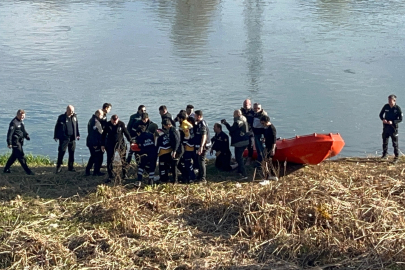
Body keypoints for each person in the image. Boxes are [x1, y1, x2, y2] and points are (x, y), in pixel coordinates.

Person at [101, 115, 132, 181]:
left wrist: (131, 141)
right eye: (113, 121)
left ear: (118, 119)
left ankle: (124, 173)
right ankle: (110, 174)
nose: (114, 122)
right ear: (111, 119)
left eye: (116, 121)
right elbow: (103, 135)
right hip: (110, 144)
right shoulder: (107, 124)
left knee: (123, 159)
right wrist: (102, 145)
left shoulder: (121, 124)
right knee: (110, 159)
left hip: (120, 143)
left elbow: (126, 133)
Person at [3, 109, 34, 175]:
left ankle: (6, 169)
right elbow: (10, 134)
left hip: (20, 141)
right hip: (15, 142)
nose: (22, 117)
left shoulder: (21, 122)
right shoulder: (14, 123)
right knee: (21, 156)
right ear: (17, 115)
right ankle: (28, 171)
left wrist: (26, 135)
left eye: (23, 116)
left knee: (14, 156)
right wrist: (9, 143)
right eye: (21, 116)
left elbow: (23, 130)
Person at [222, 110, 249, 179]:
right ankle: (240, 171)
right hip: (244, 140)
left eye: (234, 114)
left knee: (239, 158)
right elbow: (238, 130)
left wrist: (225, 123)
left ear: (237, 114)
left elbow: (232, 129)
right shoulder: (244, 119)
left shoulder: (238, 121)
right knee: (239, 157)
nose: (233, 116)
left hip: (240, 142)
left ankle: (244, 174)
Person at [54, 105, 80, 173]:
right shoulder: (61, 117)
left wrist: (77, 134)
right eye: (71, 111)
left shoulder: (74, 117)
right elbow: (57, 127)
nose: (72, 112)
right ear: (67, 110)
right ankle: (59, 166)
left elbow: (76, 125)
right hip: (64, 138)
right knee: (61, 152)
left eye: (73, 111)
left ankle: (71, 167)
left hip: (72, 138)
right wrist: (56, 136)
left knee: (72, 153)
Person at [379, 94, 403, 163]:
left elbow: (400, 119)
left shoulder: (397, 108)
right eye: (388, 100)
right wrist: (383, 119)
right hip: (386, 127)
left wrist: (393, 122)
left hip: (393, 128)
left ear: (394, 101)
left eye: (390, 101)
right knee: (385, 141)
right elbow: (380, 114)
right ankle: (384, 155)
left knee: (395, 143)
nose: (389, 102)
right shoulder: (386, 106)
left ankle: (396, 157)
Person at [177, 112, 196, 183]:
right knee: (186, 162)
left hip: (188, 147)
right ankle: (188, 176)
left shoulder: (184, 124)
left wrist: (184, 143)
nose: (178, 120)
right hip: (190, 146)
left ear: (181, 119)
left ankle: (192, 177)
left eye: (179, 119)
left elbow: (187, 136)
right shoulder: (187, 123)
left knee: (187, 163)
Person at [85, 109, 105, 176]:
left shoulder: (93, 120)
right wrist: (95, 144)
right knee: (96, 157)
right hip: (94, 143)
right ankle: (95, 171)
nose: (102, 116)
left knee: (93, 156)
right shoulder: (95, 122)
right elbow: (94, 134)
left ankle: (90, 170)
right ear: (98, 114)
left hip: (92, 142)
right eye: (102, 115)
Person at [194, 110, 211, 182]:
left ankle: (203, 178)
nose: (194, 117)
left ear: (199, 116)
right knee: (199, 160)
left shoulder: (202, 124)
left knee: (201, 160)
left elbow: (204, 136)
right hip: (201, 145)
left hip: (204, 145)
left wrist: (201, 147)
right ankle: (200, 176)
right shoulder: (199, 123)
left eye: (195, 116)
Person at [164, 118, 183, 183]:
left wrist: (174, 151)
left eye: (164, 126)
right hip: (177, 149)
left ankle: (175, 180)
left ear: (168, 125)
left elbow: (177, 141)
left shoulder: (173, 130)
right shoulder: (171, 130)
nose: (164, 127)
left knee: (174, 165)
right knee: (178, 164)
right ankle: (185, 175)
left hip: (178, 149)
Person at [260, 115, 278, 180]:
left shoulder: (272, 128)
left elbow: (274, 140)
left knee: (267, 161)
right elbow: (266, 135)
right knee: (267, 161)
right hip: (267, 145)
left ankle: (269, 176)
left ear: (267, 121)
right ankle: (270, 175)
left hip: (271, 147)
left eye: (263, 123)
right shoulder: (266, 128)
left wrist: (273, 149)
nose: (263, 125)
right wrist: (264, 139)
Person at [241, 99, 255, 165]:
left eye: (246, 105)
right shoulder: (242, 111)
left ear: (250, 104)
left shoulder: (253, 112)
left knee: (250, 145)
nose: (245, 106)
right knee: (241, 144)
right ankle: (241, 157)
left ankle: (249, 158)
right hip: (243, 131)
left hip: (251, 131)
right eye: (244, 105)